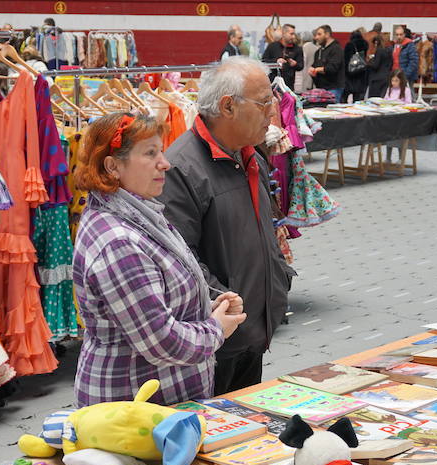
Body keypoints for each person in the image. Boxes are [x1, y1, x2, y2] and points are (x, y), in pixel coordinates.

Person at [71, 112, 246, 406]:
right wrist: (215, 329)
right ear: (112, 166)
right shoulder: (119, 242)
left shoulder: (139, 214)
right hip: (133, 412)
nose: (165, 163)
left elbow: (156, 302)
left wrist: (209, 308)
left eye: (161, 151)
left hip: (157, 404)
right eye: (150, 153)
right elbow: (160, 340)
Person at [158, 58, 294, 395]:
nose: (273, 112)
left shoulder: (249, 156)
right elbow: (179, 260)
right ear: (228, 106)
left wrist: (276, 280)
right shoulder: (182, 168)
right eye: (264, 102)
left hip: (252, 330)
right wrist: (228, 305)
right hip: (216, 338)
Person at [262, 23, 304, 90]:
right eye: (291, 34)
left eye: (294, 34)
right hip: (272, 84)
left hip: (288, 86)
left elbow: (301, 66)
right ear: (283, 33)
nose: (293, 37)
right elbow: (263, 61)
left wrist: (295, 64)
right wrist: (276, 61)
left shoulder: (297, 49)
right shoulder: (272, 46)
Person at [309, 25, 344, 101]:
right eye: (316, 35)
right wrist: (312, 71)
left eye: (319, 34)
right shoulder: (318, 52)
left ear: (327, 34)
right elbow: (315, 65)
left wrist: (317, 69)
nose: (316, 38)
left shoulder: (336, 49)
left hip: (334, 88)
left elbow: (333, 68)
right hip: (321, 88)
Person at [343, 28, 369, 102]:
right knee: (358, 99)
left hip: (350, 75)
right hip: (361, 73)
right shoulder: (365, 44)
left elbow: (346, 60)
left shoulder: (349, 45)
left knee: (345, 97)